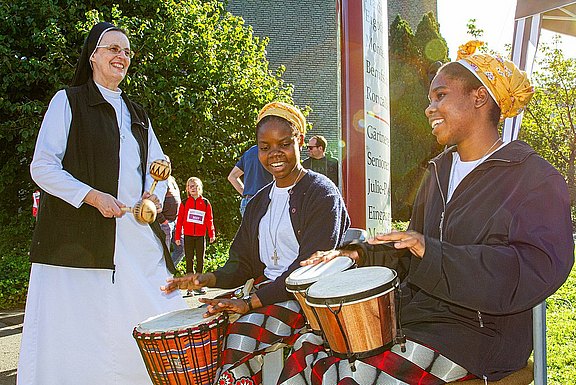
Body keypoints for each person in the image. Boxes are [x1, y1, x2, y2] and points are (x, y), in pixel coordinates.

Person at [278, 41, 575, 384]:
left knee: (352, 376)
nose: (429, 108)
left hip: (479, 338)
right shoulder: (438, 173)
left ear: (479, 98)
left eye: (441, 96)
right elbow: (410, 254)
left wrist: (431, 251)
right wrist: (354, 253)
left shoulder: (533, 177)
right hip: (418, 318)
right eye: (430, 99)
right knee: (308, 347)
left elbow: (534, 269)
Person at [18, 22, 187, 385]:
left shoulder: (138, 113)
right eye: (113, 49)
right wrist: (92, 197)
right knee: (78, 328)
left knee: (157, 307)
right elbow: (43, 166)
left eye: (126, 52)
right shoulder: (68, 101)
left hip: (134, 233)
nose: (121, 57)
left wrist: (151, 197)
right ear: (93, 55)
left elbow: (158, 169)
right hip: (76, 237)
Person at [162, 101, 350, 385]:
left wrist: (250, 302)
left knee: (241, 331)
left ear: (299, 140)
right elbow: (243, 263)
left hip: (306, 299)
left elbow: (309, 271)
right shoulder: (259, 201)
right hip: (264, 292)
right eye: (265, 147)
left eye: (284, 143)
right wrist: (206, 278)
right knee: (207, 327)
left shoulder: (321, 193)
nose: (274, 153)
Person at [174, 176, 216, 296]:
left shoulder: (206, 202)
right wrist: (177, 236)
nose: (193, 188)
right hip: (188, 235)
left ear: (200, 188)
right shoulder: (184, 203)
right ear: (187, 189)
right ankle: (190, 287)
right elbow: (180, 220)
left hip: (200, 236)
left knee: (200, 260)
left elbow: (209, 219)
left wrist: (211, 233)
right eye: (190, 186)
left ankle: (199, 284)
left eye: (195, 186)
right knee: (189, 260)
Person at [228, 144, 273, 216]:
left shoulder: (249, 153)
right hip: (265, 202)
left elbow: (232, 176)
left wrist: (246, 193)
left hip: (247, 202)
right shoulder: (272, 152)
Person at [158, 175, 184, 266]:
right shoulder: (160, 182)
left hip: (176, 222)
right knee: (165, 252)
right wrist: (163, 221)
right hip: (166, 223)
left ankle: (169, 269)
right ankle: (162, 274)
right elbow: (154, 204)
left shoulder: (172, 180)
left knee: (182, 248)